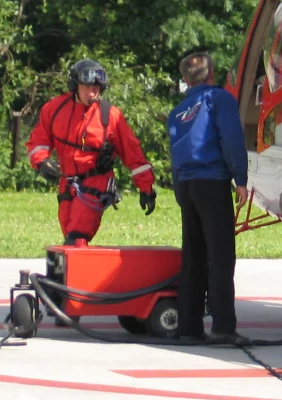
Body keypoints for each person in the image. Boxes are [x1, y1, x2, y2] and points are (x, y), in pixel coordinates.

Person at [27, 58, 157, 246]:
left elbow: (133, 154)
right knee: (69, 234)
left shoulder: (111, 116)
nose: (93, 91)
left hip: (96, 183)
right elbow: (38, 142)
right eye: (88, 87)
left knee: (76, 237)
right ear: (75, 86)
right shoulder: (54, 109)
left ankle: (75, 273)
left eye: (97, 87)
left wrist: (146, 189)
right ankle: (72, 273)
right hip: (67, 184)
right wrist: (41, 162)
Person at [167, 52, 249, 345]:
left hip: (187, 184)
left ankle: (188, 326)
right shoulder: (218, 99)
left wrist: (180, 191)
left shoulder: (178, 110)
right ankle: (223, 326)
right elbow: (231, 137)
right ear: (212, 73)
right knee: (221, 254)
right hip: (212, 181)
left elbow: (175, 154)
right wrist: (240, 178)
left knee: (194, 254)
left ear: (187, 80)